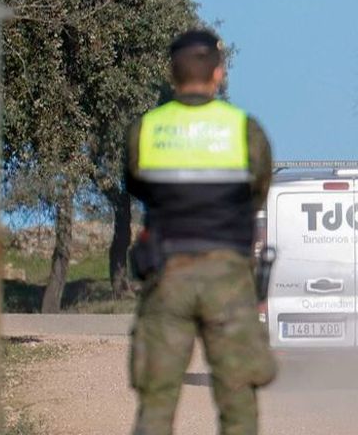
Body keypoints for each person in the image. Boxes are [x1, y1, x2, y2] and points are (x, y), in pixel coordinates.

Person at [124, 29, 276, 435]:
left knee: (156, 402)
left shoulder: (147, 129)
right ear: (218, 74)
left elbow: (136, 184)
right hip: (228, 279)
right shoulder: (245, 130)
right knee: (238, 401)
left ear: (172, 75)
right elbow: (258, 192)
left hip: (166, 275)